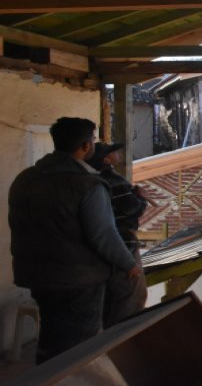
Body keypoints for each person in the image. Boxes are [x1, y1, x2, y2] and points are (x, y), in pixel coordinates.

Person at [8, 117, 140, 364]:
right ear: (86, 145)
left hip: (37, 275)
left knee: (50, 338)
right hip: (77, 279)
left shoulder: (26, 179)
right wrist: (128, 263)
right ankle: (66, 379)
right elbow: (103, 235)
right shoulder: (87, 185)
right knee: (78, 348)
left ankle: (46, 377)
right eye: (93, 140)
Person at [87, 142, 148, 328]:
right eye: (112, 152)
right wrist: (140, 197)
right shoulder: (112, 181)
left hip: (110, 249)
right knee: (130, 298)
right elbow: (132, 208)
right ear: (106, 160)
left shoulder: (95, 180)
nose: (117, 154)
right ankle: (122, 338)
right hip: (123, 245)